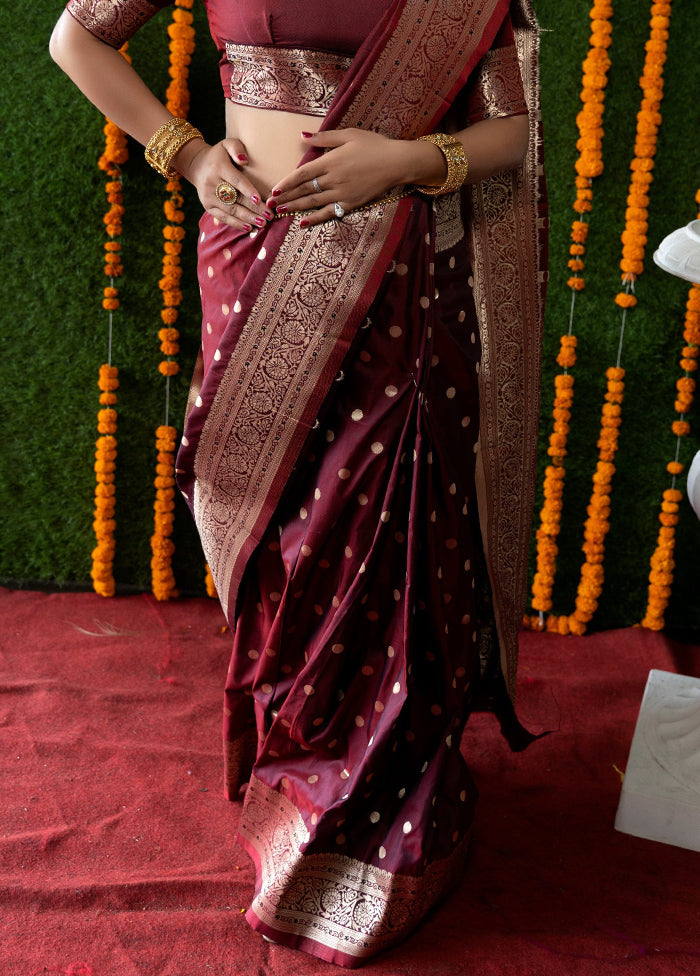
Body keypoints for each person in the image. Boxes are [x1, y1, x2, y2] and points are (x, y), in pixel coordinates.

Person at [50, 0, 547, 966]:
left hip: (408, 273)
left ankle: (388, 812)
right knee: (283, 532)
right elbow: (79, 37)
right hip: (256, 261)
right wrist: (188, 156)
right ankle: (300, 773)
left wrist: (404, 161)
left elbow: (512, 129)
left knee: (393, 541)